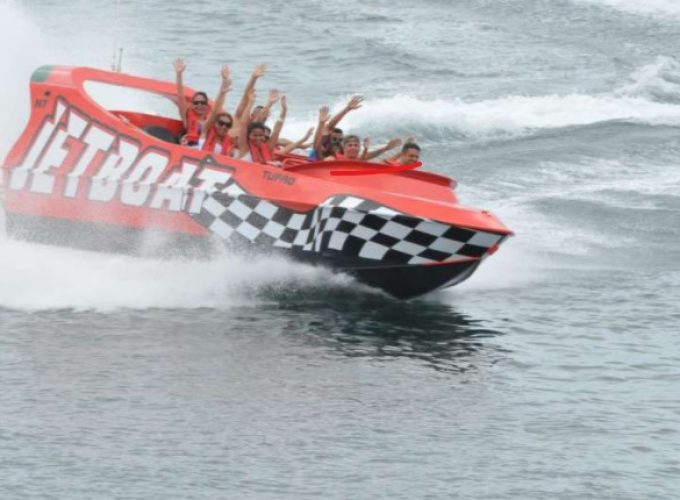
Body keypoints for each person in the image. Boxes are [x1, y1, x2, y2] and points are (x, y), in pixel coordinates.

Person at [199, 66, 237, 156]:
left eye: (228, 125)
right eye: (221, 123)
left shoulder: (229, 143)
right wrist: (222, 92)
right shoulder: (206, 131)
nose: (224, 126)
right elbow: (214, 111)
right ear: (215, 123)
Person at [173, 58, 211, 146]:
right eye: (196, 103)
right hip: (190, 148)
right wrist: (179, 74)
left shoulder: (211, 120)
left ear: (206, 105)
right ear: (192, 105)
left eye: (202, 102)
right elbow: (180, 97)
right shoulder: (187, 115)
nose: (199, 105)